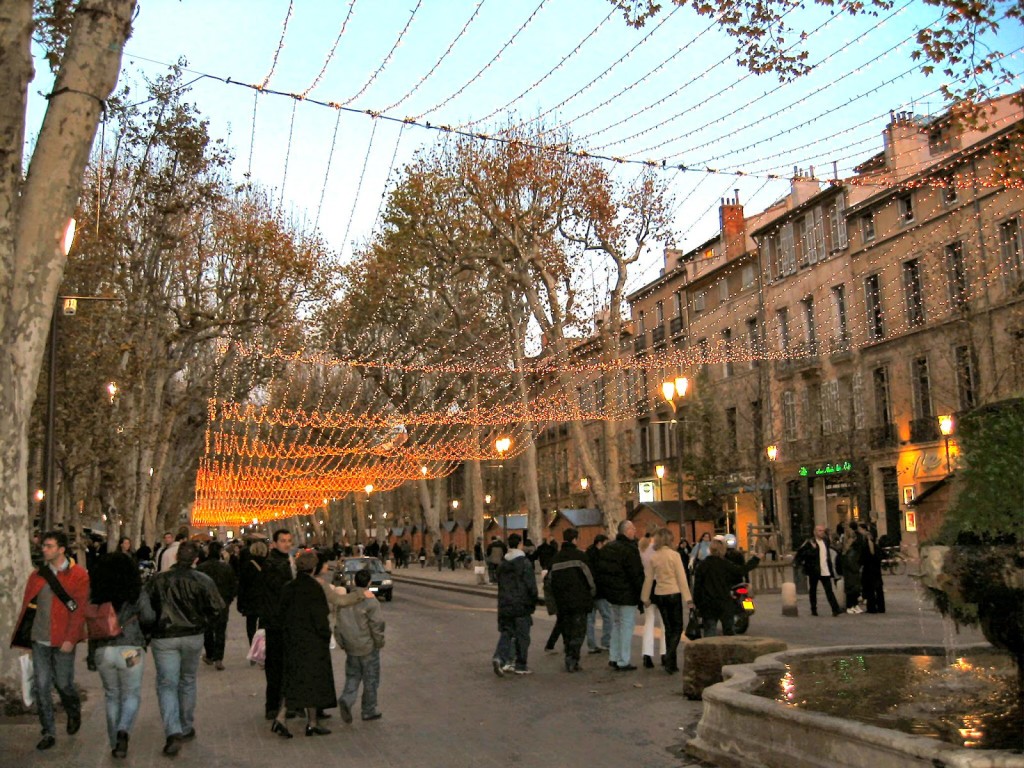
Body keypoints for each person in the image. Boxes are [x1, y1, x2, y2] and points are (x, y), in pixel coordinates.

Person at [145, 540, 225, 756]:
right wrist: (203, 624)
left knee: (167, 684)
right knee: (187, 680)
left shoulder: (158, 580)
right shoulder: (203, 580)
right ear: (196, 559)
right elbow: (218, 608)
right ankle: (186, 726)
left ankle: (173, 731)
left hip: (164, 637)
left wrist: (149, 630)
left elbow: (146, 608)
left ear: (176, 556)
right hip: (192, 636)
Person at [16, 530, 90, 751]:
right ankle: (48, 730)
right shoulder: (37, 575)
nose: (44, 549)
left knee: (64, 683)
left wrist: (70, 639)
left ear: (61, 549)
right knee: (41, 685)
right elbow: (27, 609)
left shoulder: (79, 575)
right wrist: (25, 641)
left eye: (49, 546)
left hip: (63, 640)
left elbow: (79, 611)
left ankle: (73, 708)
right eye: (44, 546)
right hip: (39, 638)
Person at [88, 552, 155, 758]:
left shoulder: (96, 593)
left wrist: (91, 656)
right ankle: (124, 730)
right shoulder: (137, 592)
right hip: (130, 650)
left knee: (111, 695)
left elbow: (91, 625)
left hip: (103, 651)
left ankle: (114, 740)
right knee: (131, 693)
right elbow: (149, 617)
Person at [271, 550, 336, 738]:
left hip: (292, 639)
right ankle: (312, 723)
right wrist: (325, 636)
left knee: (293, 679)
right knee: (313, 681)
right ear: (313, 568)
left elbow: (280, 613)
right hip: (311, 641)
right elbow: (320, 618)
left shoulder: (289, 587)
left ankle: (281, 718)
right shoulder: (314, 589)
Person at [334, 568, 385, 723]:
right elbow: (377, 624)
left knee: (353, 676)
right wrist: (379, 642)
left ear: (355, 582)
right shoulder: (371, 601)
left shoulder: (345, 600)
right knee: (371, 679)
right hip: (367, 647)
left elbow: (338, 626)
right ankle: (368, 710)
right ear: (369, 582)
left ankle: (347, 699)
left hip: (351, 647)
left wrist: (342, 643)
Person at [640, 528, 692, 674]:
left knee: (668, 628)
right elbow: (682, 578)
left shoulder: (654, 557)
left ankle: (671, 663)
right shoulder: (674, 555)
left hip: (659, 594)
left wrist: (645, 597)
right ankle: (670, 657)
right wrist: (688, 598)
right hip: (673, 593)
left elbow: (649, 578)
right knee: (677, 628)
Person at [595, 520, 645, 671]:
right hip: (627, 594)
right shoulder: (630, 549)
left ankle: (614, 657)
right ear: (627, 531)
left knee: (616, 625)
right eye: (632, 528)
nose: (635, 531)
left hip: (612, 594)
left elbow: (601, 571)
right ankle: (623, 659)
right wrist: (641, 595)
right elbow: (636, 574)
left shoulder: (608, 548)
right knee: (627, 627)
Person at [258, 529, 296, 722]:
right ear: (274, 543)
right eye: (283, 541)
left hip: (282, 619)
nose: (287, 544)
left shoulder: (286, 560)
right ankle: (273, 706)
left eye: (289, 541)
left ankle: (283, 704)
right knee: (275, 665)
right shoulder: (274, 563)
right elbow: (280, 591)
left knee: (283, 665)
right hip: (276, 621)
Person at [548, 528, 595, 673]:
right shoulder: (581, 556)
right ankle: (573, 658)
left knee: (567, 630)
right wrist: (592, 593)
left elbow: (549, 580)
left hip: (562, 601)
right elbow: (590, 579)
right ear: (575, 539)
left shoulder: (555, 558)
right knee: (579, 631)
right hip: (579, 600)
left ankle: (569, 655)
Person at [491, 533, 537, 676]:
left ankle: (500, 657)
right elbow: (531, 586)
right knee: (523, 636)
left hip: (505, 604)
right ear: (520, 544)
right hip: (521, 604)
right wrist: (533, 601)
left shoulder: (503, 565)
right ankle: (520, 665)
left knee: (507, 632)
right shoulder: (524, 563)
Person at [693, 539, 760, 637]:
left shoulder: (702, 565)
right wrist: (755, 559)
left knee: (710, 633)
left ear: (711, 549)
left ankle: (711, 652)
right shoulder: (725, 564)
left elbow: (697, 587)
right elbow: (741, 570)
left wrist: (697, 604)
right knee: (729, 633)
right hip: (724, 602)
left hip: (708, 604)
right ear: (723, 550)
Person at [197, 541, 238, 670]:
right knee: (220, 630)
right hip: (222, 603)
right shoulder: (226, 567)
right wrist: (229, 599)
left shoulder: (201, 568)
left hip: (206, 604)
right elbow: (233, 585)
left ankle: (210, 655)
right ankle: (219, 658)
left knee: (207, 630)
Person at [794, 525, 842, 616]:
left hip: (825, 569)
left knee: (829, 590)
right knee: (813, 590)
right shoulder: (809, 542)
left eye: (823, 531)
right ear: (815, 532)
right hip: (814, 570)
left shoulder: (826, 541)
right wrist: (813, 549)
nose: (822, 533)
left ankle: (835, 609)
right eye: (820, 531)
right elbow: (801, 554)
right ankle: (813, 609)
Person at [639, 530, 667, 669]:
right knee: (664, 623)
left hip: (647, 586)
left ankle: (647, 655)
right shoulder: (660, 551)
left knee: (648, 622)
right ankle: (664, 654)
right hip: (661, 586)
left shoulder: (642, 549)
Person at [236, 540, 268, 646]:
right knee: (263, 627)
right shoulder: (270, 565)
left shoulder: (247, 566)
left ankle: (254, 647)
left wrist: (240, 604)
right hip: (265, 600)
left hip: (251, 601)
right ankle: (263, 649)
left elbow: (242, 586)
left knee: (251, 627)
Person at [585, 534, 612, 653]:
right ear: (600, 543)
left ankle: (591, 644)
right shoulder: (602, 556)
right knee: (607, 616)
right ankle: (606, 642)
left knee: (590, 619)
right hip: (600, 592)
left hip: (589, 592)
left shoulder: (587, 555)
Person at [841, 521, 867, 614]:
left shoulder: (853, 542)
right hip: (852, 567)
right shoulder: (853, 544)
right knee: (852, 587)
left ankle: (853, 605)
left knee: (853, 587)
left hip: (853, 566)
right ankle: (851, 605)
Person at [861, 523, 886, 613]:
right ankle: (881, 607)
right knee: (878, 589)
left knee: (870, 589)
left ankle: (872, 608)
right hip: (876, 570)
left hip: (869, 570)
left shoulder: (867, 546)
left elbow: (864, 558)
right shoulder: (876, 547)